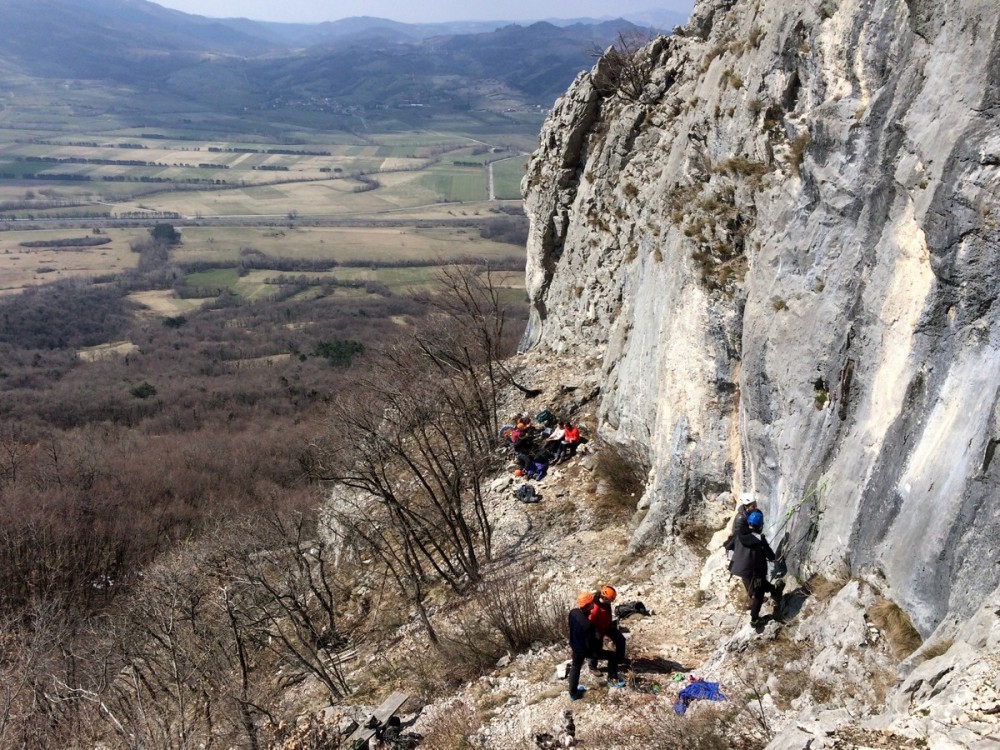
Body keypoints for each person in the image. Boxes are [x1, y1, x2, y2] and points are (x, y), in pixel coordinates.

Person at [567, 586, 625, 699]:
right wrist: (598, 650)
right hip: (585, 650)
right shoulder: (587, 625)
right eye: (591, 602)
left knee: (575, 668)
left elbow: (571, 626)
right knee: (612, 656)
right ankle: (612, 680)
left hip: (575, 646)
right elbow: (590, 646)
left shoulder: (573, 612)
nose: (593, 603)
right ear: (588, 605)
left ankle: (572, 694)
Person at [728, 510, 780, 626]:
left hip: (740, 569)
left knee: (761, 584)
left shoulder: (738, 533)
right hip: (755, 571)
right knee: (759, 593)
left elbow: (729, 545)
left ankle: (774, 589)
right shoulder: (759, 538)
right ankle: (754, 619)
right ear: (760, 525)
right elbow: (771, 556)